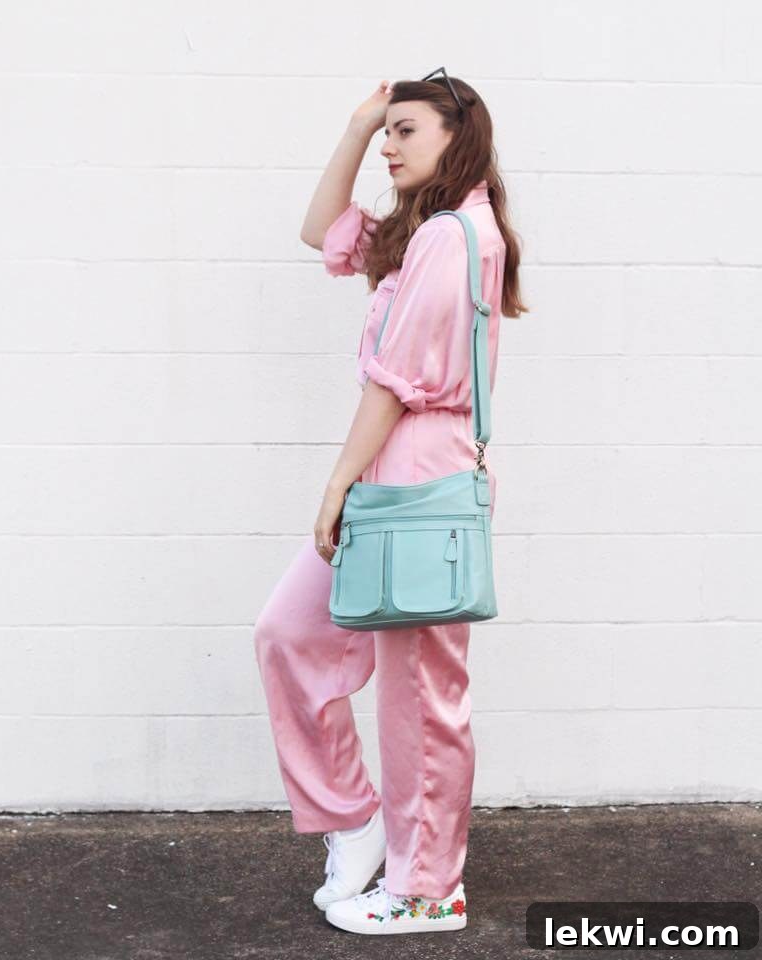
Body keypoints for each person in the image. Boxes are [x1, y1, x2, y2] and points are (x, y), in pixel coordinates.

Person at [254, 72, 527, 936]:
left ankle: (427, 887)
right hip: (393, 472)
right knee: (291, 633)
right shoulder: (427, 231)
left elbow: (397, 380)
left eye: (405, 129)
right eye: (387, 134)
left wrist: (337, 481)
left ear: (459, 133)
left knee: (421, 697)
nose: (389, 145)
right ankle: (358, 823)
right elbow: (319, 230)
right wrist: (355, 122)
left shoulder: (457, 235)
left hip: (415, 472)